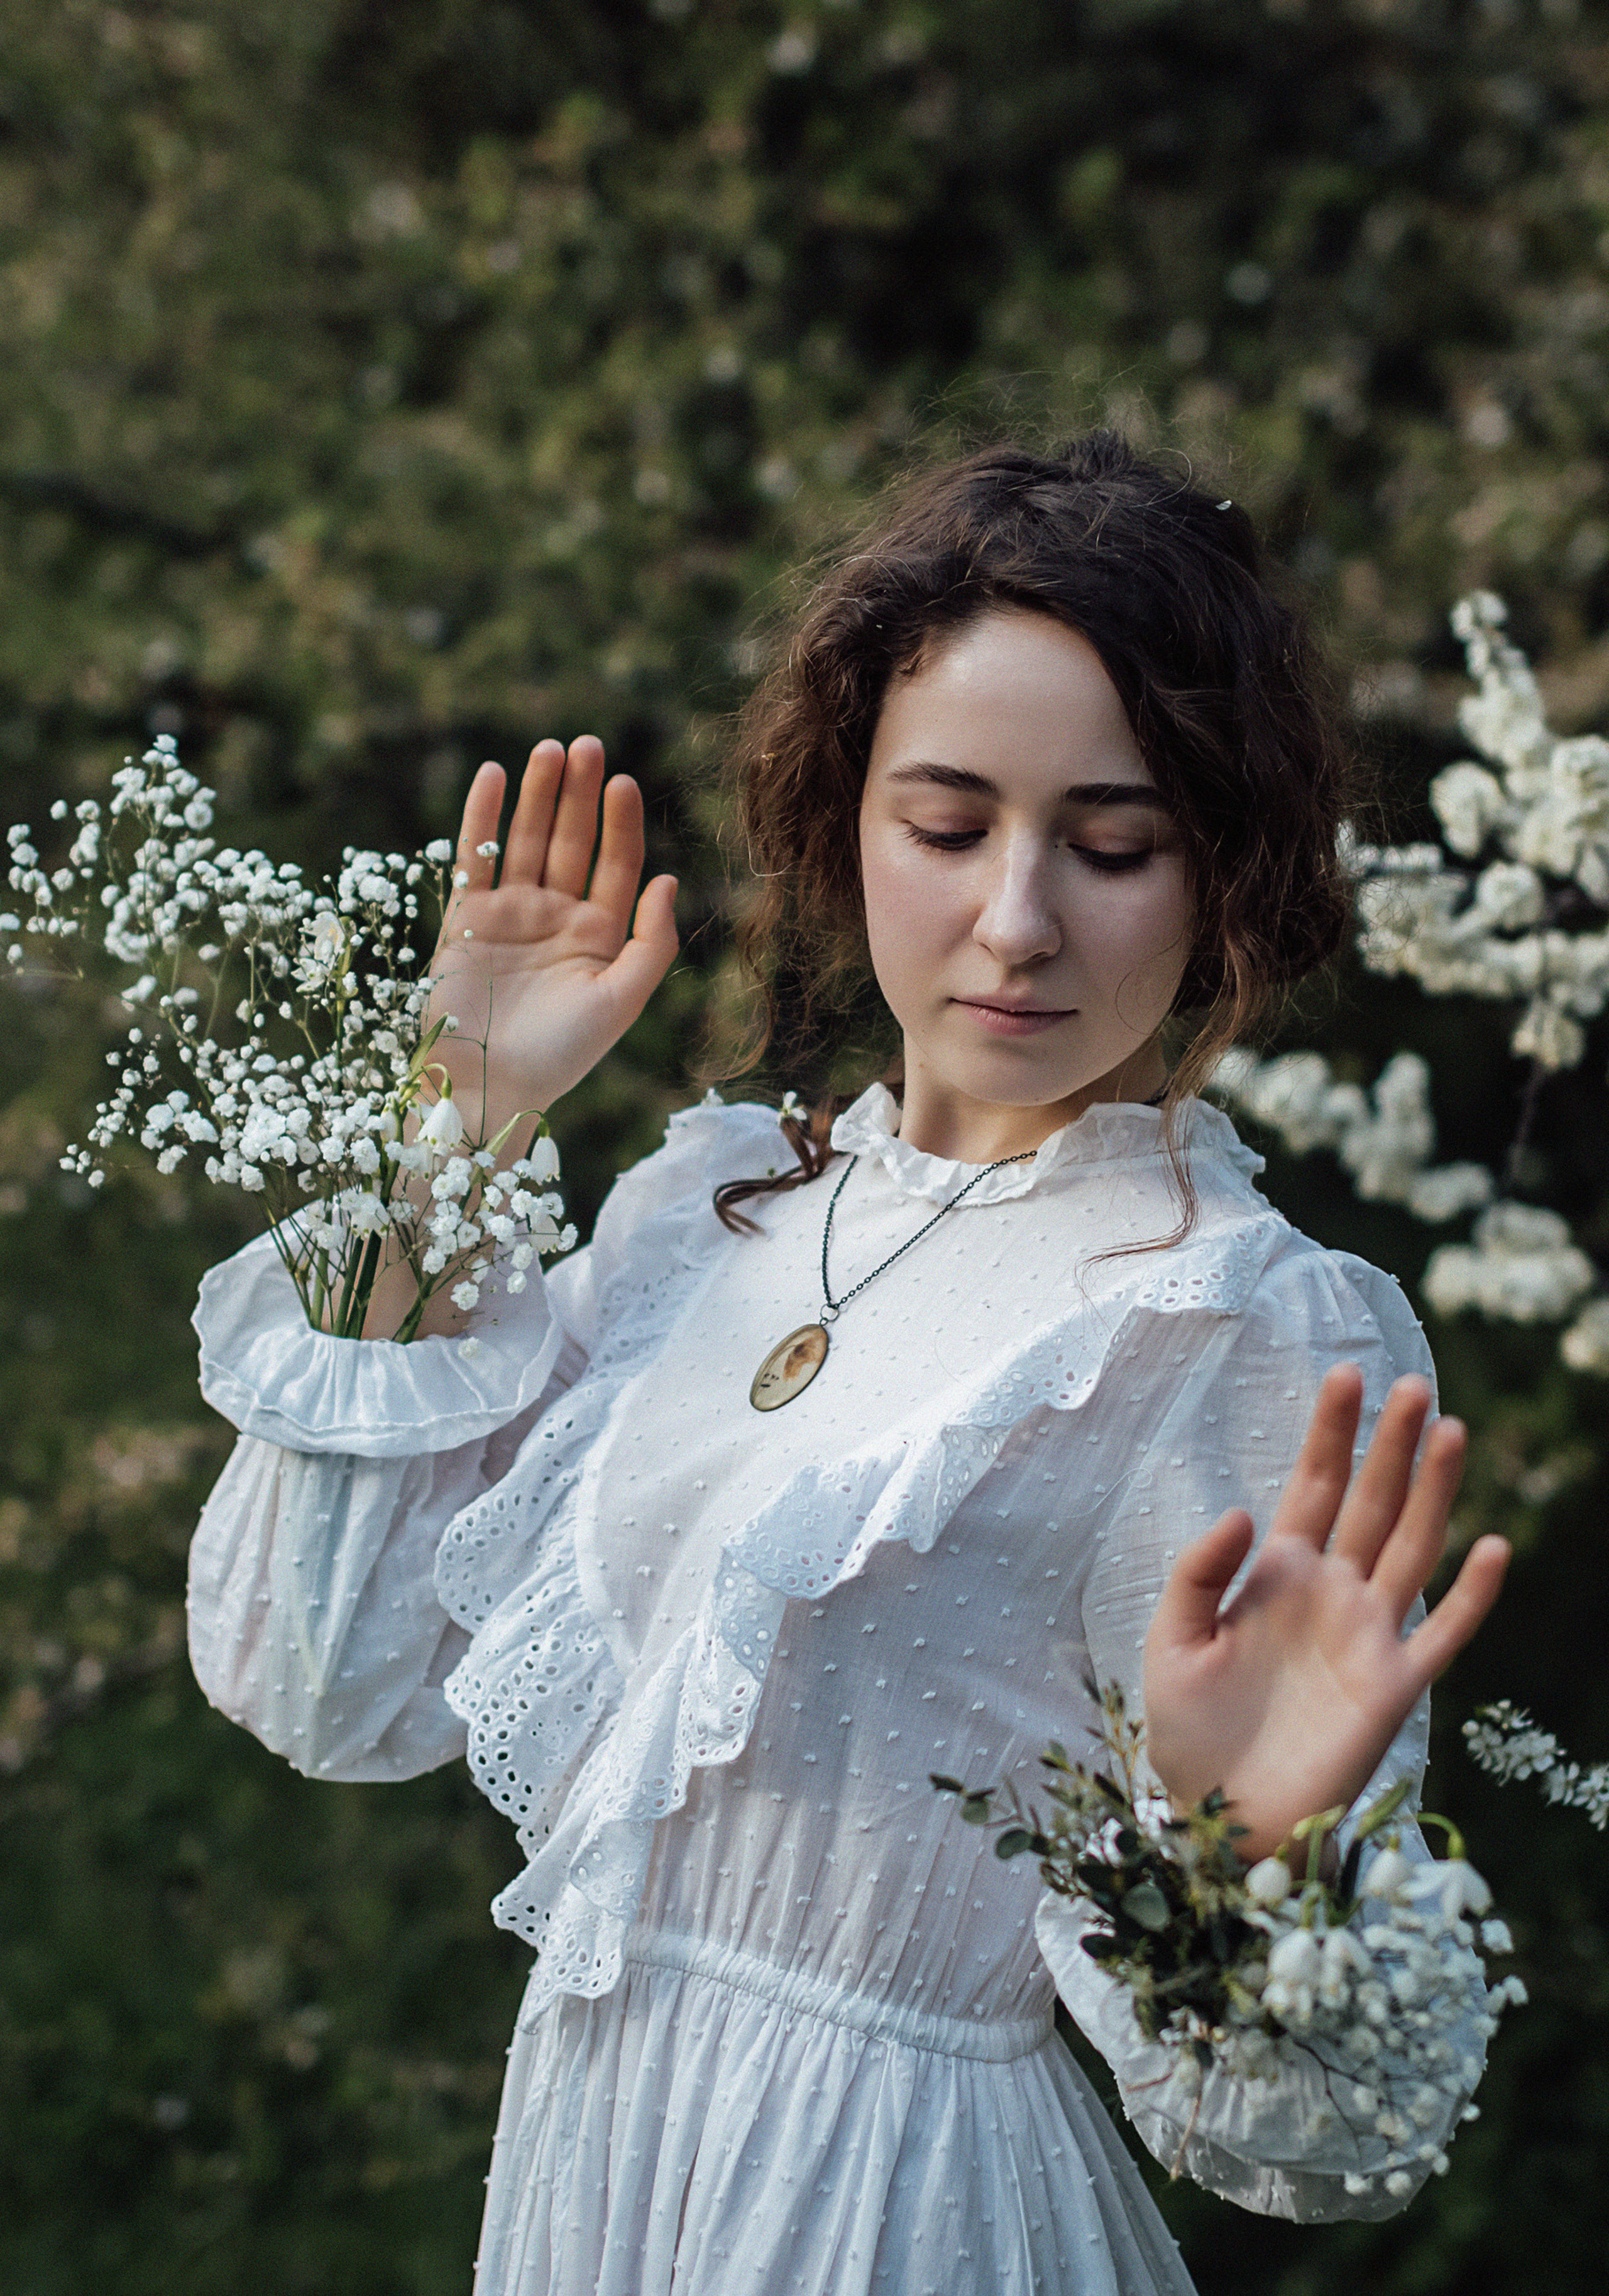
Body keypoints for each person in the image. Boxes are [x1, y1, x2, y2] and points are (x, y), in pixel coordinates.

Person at [186, 434, 1511, 2296]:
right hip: (597, 2192)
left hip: (903, 2215)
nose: (1019, 918)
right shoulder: (706, 1211)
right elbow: (333, 1683)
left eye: (1115, 843)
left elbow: (1329, 2143)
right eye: (950, 826)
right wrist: (450, 1137)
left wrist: (1250, 1865)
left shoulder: (1237, 1320)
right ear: (847, 820)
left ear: (1224, 871)